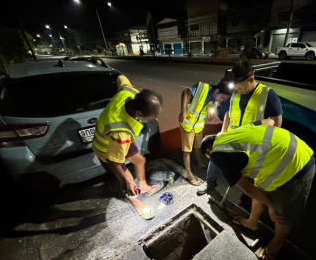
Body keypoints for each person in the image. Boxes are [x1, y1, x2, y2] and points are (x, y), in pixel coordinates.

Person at [201, 122, 315, 260]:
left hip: (296, 167)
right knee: (259, 189)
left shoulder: (217, 155)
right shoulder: (232, 133)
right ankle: (252, 222)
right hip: (290, 149)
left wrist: (271, 206)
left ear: (208, 152)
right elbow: (269, 123)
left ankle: (275, 246)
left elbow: (246, 187)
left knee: (282, 214)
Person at [197, 60, 283, 196]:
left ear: (251, 79)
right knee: (215, 155)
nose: (238, 89)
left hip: (252, 142)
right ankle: (210, 182)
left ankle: (247, 194)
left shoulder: (268, 94)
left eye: (241, 86)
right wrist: (223, 132)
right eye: (236, 86)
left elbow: (277, 121)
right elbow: (229, 113)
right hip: (232, 136)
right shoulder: (236, 92)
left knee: (250, 169)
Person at [92, 75, 163, 219]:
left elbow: (121, 77)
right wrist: (126, 182)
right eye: (149, 119)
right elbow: (113, 161)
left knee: (140, 161)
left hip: (121, 142)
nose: (152, 120)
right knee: (127, 177)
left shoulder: (128, 92)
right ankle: (136, 201)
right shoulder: (120, 132)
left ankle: (143, 186)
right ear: (138, 114)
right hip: (106, 148)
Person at [179, 80, 233, 186]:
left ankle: (199, 162)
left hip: (199, 125)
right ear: (217, 91)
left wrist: (211, 112)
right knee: (187, 150)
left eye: (224, 99)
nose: (221, 100)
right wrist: (183, 111)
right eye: (222, 97)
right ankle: (189, 174)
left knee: (198, 145)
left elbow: (209, 118)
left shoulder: (216, 101)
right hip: (188, 123)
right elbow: (185, 92)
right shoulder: (202, 88)